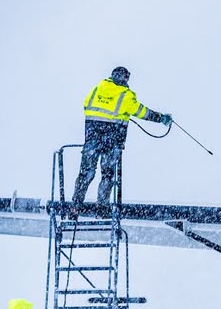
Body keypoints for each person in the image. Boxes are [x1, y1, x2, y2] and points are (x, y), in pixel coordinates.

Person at [72, 66, 172, 205]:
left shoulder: (98, 88)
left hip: (92, 138)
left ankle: (75, 206)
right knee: (107, 174)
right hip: (112, 140)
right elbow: (141, 112)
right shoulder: (125, 94)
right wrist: (161, 118)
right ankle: (102, 207)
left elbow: (86, 105)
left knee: (86, 172)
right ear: (124, 77)